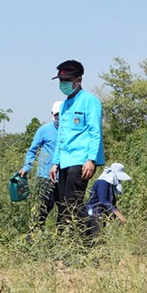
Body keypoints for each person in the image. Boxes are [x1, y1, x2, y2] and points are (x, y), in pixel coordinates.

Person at [49, 60, 104, 239]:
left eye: (67, 80)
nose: (63, 84)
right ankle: (72, 242)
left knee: (74, 202)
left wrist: (91, 159)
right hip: (65, 160)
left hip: (81, 160)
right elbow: (62, 136)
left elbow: (95, 132)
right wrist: (55, 162)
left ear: (78, 80)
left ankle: (92, 239)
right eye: (61, 81)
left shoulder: (90, 101)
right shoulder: (64, 105)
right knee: (64, 205)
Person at [21, 102, 61, 228]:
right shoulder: (44, 130)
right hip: (45, 175)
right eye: (57, 115)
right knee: (45, 205)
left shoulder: (69, 131)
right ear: (52, 115)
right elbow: (32, 150)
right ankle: (35, 230)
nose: (59, 118)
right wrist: (27, 166)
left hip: (64, 175)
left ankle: (60, 234)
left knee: (64, 207)